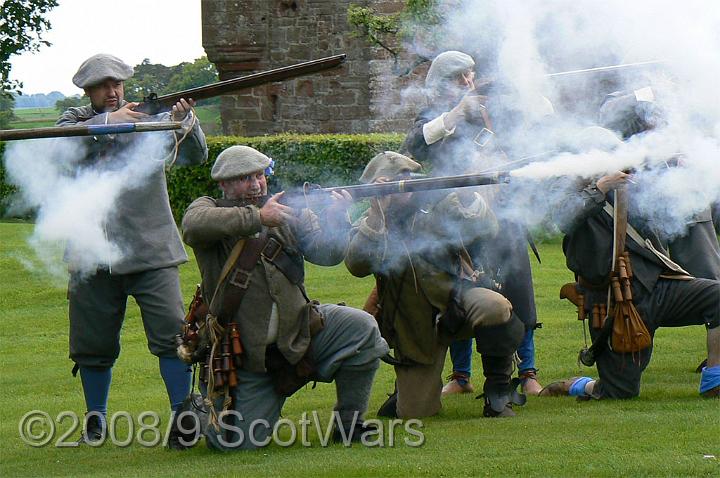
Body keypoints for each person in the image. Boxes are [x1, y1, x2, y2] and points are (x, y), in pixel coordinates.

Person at [181, 145, 388, 450]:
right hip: (247, 357)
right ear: (223, 184)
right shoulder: (209, 208)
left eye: (259, 175)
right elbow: (192, 225)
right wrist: (258, 218)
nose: (255, 184)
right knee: (233, 445)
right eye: (243, 178)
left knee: (362, 327)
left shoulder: (287, 211)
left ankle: (349, 425)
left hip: (299, 335)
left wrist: (337, 218)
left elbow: (327, 254)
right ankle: (199, 409)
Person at [59, 54, 208, 447]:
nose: (112, 92)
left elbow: (195, 157)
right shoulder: (74, 122)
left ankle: (184, 417)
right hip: (91, 251)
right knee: (92, 346)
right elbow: (61, 147)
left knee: (173, 337)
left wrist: (185, 121)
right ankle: (95, 422)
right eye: (103, 86)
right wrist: (114, 120)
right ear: (87, 91)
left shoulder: (148, 119)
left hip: (150, 246)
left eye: (117, 84)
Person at [402, 50, 543, 396]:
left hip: (502, 214)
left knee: (518, 290)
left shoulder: (492, 110)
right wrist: (453, 115)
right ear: (440, 85)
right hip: (456, 219)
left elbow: (532, 131)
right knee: (458, 292)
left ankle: (528, 373)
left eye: (470, 75)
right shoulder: (434, 116)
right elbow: (413, 146)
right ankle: (460, 376)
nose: (468, 82)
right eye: (459, 77)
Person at [344, 151, 526, 418]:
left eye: (406, 177)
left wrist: (468, 198)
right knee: (415, 413)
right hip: (412, 325)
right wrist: (377, 212)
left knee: (495, 307)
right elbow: (357, 265)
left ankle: (498, 391)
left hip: (456, 303)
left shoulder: (439, 208)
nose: (404, 184)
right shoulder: (371, 224)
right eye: (396, 180)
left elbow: (488, 229)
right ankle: (404, 391)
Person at [542, 132, 720, 399]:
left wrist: (670, 176)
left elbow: (667, 218)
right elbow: (564, 219)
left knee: (717, 296)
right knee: (619, 392)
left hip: (657, 286)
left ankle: (713, 379)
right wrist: (601, 186)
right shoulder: (566, 186)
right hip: (614, 300)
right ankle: (580, 385)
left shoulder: (632, 184)